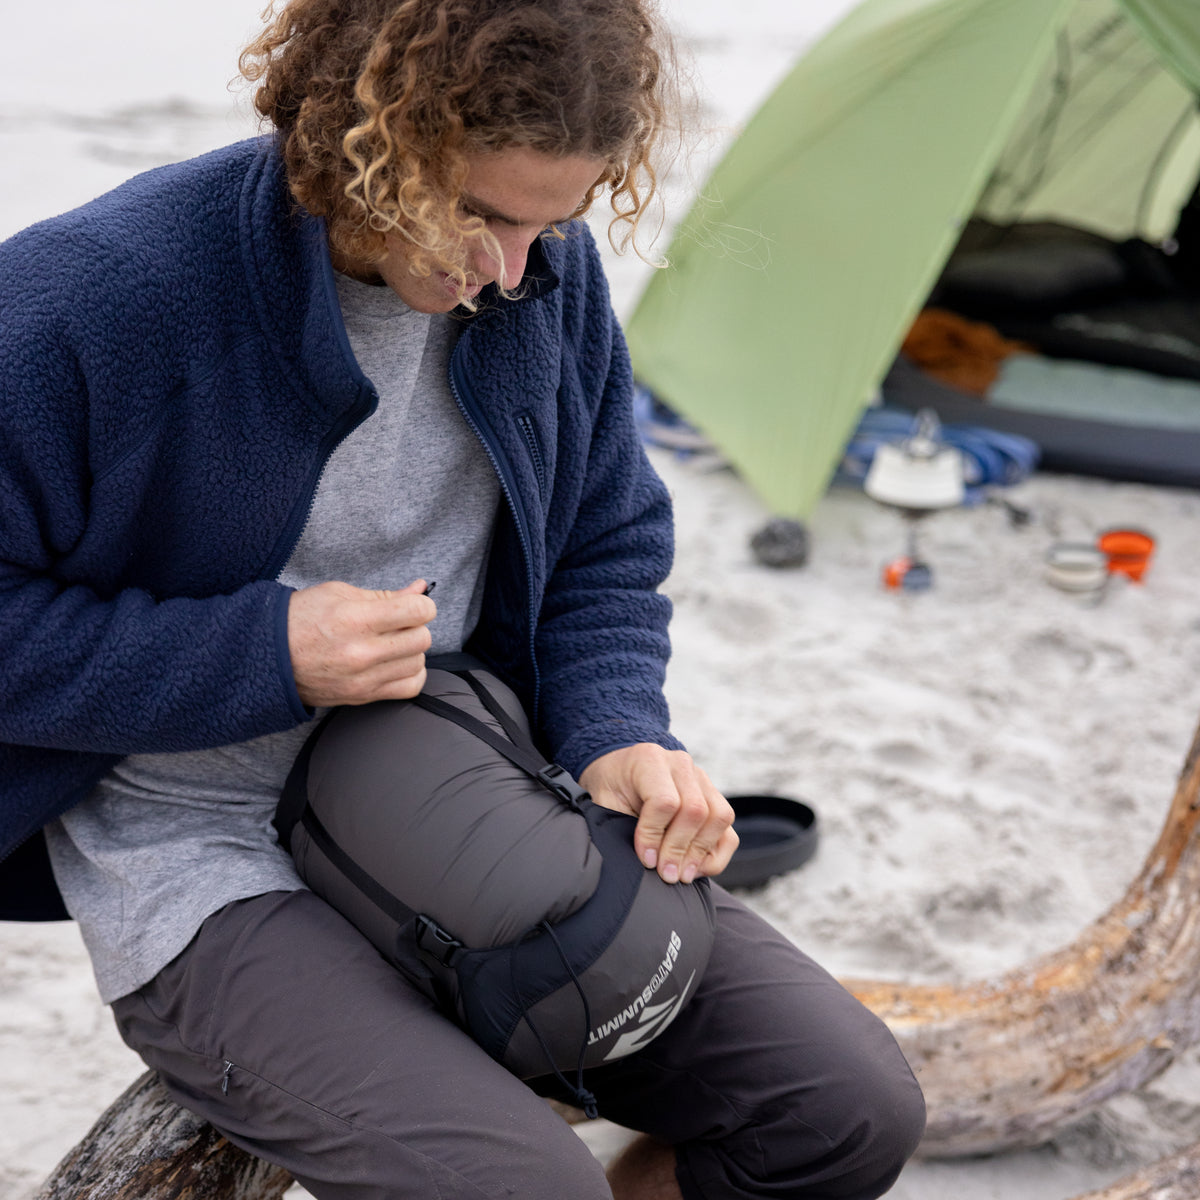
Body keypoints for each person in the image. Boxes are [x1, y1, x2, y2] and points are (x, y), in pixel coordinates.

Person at [0, 1, 926, 1196]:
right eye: (479, 214)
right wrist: (264, 650)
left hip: (469, 788)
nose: (508, 272)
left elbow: (609, 536)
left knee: (843, 1108)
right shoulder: (99, 298)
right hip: (204, 851)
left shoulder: (542, 275)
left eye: (556, 222)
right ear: (361, 138)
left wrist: (616, 729)